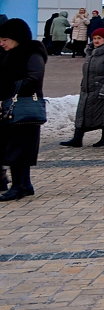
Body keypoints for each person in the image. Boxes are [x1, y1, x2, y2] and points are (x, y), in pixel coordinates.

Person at [0, 17, 48, 201]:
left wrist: (10, 87)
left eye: (5, 40)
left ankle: (19, 186)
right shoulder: (9, 54)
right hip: (12, 107)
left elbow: (34, 78)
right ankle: (24, 184)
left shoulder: (31, 53)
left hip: (23, 106)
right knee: (15, 146)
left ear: (16, 38)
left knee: (20, 147)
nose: (1, 43)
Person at [62, 27, 104, 147]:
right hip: (88, 90)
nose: (96, 41)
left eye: (99, 38)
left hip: (102, 89)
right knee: (83, 114)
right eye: (94, 38)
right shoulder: (91, 53)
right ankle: (77, 139)